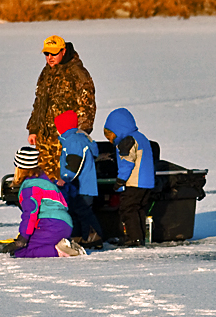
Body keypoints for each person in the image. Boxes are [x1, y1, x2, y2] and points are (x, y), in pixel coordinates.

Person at [26, 35, 96, 181]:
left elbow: (87, 107)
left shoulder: (77, 73)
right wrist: (34, 129)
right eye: (47, 54)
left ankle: (65, 203)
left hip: (65, 138)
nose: (50, 57)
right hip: (44, 138)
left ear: (63, 51)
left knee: (64, 179)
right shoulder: (47, 72)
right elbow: (39, 102)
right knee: (44, 178)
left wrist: (78, 135)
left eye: (54, 53)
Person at [4, 147, 85, 258]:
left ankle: (59, 251)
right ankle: (63, 245)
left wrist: (22, 238)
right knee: (34, 245)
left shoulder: (30, 187)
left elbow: (30, 213)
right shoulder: (46, 181)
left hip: (50, 224)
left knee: (21, 252)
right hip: (65, 224)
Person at [103, 108, 156, 247]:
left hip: (135, 182)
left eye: (110, 137)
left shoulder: (126, 141)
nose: (111, 142)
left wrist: (120, 180)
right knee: (138, 210)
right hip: (147, 183)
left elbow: (127, 163)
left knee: (128, 209)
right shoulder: (141, 137)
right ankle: (140, 238)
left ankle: (134, 239)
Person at [55, 110, 103, 249]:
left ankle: (94, 237)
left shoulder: (73, 140)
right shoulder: (79, 138)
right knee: (75, 211)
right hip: (83, 185)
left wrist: (65, 177)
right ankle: (78, 237)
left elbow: (75, 161)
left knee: (83, 212)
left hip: (81, 185)